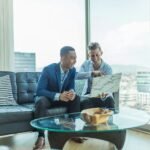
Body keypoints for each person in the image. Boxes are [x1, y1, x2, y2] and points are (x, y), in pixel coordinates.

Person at [33, 46, 80, 150]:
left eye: (75, 58)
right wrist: (59, 96)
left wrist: (71, 92)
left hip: (62, 99)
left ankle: (73, 131)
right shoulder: (48, 70)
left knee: (76, 98)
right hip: (48, 99)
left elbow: (71, 86)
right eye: (72, 58)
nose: (75, 61)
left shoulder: (72, 70)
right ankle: (41, 136)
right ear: (62, 57)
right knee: (41, 101)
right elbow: (39, 91)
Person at [77, 42, 115, 111]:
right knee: (83, 102)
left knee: (110, 100)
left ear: (101, 53)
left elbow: (109, 87)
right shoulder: (86, 64)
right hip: (89, 95)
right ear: (89, 55)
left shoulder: (107, 68)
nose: (95, 58)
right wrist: (92, 73)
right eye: (92, 56)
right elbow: (78, 75)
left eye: (97, 55)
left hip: (103, 95)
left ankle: (110, 120)